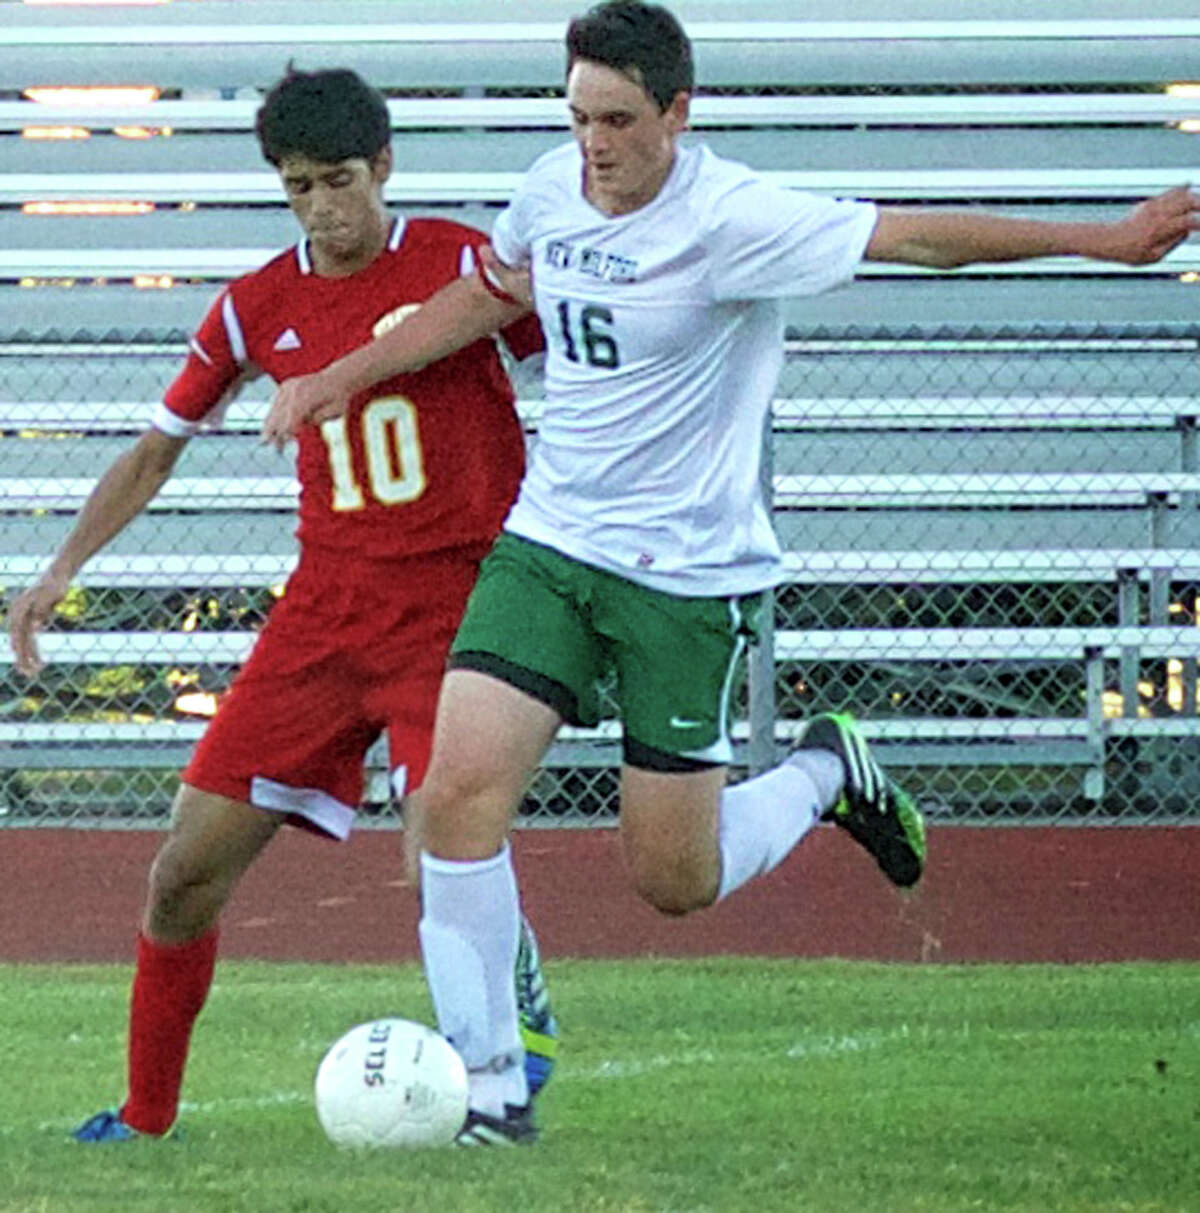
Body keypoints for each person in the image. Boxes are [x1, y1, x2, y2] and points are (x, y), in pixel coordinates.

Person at [262, 2, 1200, 1145]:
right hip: (551, 546)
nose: (594, 143)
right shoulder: (553, 188)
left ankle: (823, 770)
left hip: (686, 580)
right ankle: (494, 1086)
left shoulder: (735, 215)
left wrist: (1100, 240)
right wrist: (339, 378)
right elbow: (488, 293)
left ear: (676, 110)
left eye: (616, 119)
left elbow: (915, 235)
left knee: (673, 880)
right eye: (577, 117)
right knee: (452, 798)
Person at [6, 67, 558, 1144]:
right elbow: (158, 447)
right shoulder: (255, 304)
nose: (322, 209)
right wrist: (59, 567)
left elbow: (578, 381)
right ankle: (145, 1116)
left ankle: (501, 1062)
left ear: (384, 166)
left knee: (434, 859)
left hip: (455, 613)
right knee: (181, 874)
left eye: (339, 181)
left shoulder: (460, 264)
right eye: (298, 188)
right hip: (321, 620)